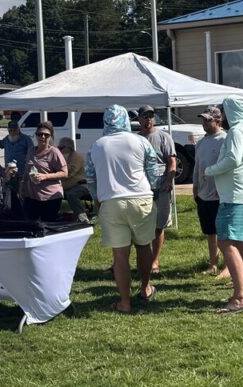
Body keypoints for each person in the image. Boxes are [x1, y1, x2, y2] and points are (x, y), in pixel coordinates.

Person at [86, 105, 163, 313]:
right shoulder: (141, 141)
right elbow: (153, 169)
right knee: (144, 246)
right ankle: (145, 288)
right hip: (141, 198)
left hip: (111, 202)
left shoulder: (96, 146)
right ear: (126, 121)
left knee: (120, 255)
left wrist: (97, 200)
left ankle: (125, 302)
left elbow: (90, 178)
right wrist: (153, 189)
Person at [204, 96, 243, 314]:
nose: (222, 118)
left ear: (230, 112)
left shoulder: (237, 131)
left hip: (236, 197)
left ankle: (240, 297)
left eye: (223, 113)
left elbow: (233, 159)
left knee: (226, 242)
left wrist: (210, 170)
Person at [137, 105, 176, 274]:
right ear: (139, 119)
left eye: (151, 116)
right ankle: (140, 260)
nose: (148, 119)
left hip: (161, 185)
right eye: (145, 116)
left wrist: (168, 181)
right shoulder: (136, 139)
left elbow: (172, 162)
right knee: (140, 225)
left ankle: (154, 261)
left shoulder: (163, 137)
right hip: (141, 186)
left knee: (159, 226)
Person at [192, 105, 227, 275]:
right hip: (203, 194)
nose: (204, 123)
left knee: (223, 232)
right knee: (210, 232)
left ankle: (228, 266)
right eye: (203, 120)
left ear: (218, 121)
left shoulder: (225, 140)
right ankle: (213, 264)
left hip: (219, 194)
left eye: (208, 120)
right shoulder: (201, 143)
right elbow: (197, 166)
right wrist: (195, 186)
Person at [20, 120, 67, 221]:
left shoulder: (54, 152)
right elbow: (27, 171)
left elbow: (64, 173)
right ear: (36, 135)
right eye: (40, 134)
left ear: (51, 137)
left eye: (46, 135)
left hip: (50, 197)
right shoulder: (31, 151)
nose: (43, 137)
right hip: (32, 196)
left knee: (47, 225)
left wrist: (45, 176)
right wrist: (22, 186)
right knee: (29, 223)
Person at [0, 118, 32, 218]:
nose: (12, 133)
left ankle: (24, 214)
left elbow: (31, 152)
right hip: (9, 173)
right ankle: (11, 213)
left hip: (22, 173)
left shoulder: (26, 139)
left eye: (14, 130)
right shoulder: (6, 139)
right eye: (10, 130)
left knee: (22, 194)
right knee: (9, 194)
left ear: (18, 129)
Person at [58, 136, 90, 223]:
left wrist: (59, 170)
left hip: (80, 185)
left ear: (69, 147)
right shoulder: (64, 157)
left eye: (61, 147)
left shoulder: (77, 157)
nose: (59, 149)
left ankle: (82, 217)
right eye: (59, 147)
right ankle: (52, 215)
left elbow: (69, 173)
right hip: (67, 186)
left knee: (72, 195)